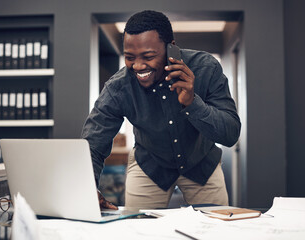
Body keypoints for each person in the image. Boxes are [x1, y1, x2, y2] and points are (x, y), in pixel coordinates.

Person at [82, 10, 241, 209]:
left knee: (215, 229)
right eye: (130, 57)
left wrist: (192, 103)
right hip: (150, 166)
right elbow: (93, 143)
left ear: (171, 48)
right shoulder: (118, 87)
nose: (138, 66)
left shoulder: (206, 68)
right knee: (137, 228)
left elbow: (230, 134)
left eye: (148, 56)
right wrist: (87, 188)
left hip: (202, 164)